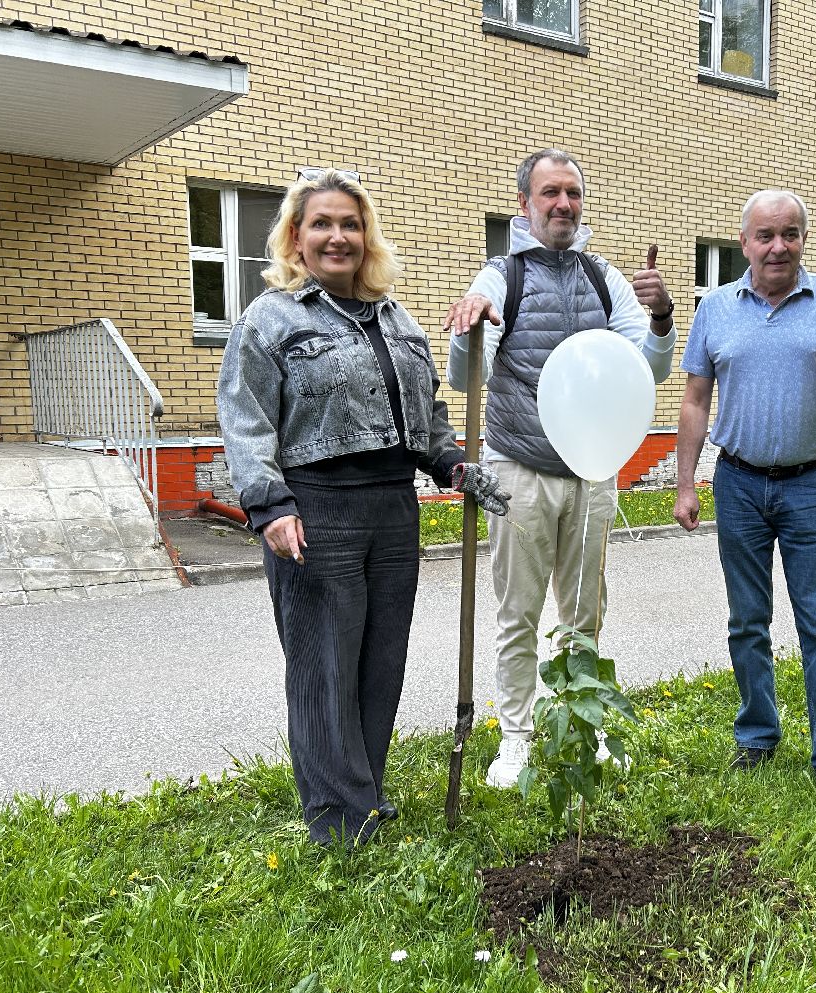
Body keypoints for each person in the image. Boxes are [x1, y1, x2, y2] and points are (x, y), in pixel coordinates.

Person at [217, 169, 510, 847]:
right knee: (324, 666)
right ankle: (336, 821)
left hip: (391, 509)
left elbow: (427, 421)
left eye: (350, 223)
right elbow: (246, 417)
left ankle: (365, 793)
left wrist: (457, 467)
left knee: (381, 661)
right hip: (315, 510)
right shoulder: (272, 318)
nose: (337, 236)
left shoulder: (396, 318)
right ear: (296, 236)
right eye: (321, 223)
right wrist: (269, 504)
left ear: (366, 235)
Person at [443, 148, 677, 789]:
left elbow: (649, 370)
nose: (563, 204)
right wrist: (468, 326)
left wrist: (660, 319)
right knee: (518, 612)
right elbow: (470, 370)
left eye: (572, 193)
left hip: (592, 473)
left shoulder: (606, 279)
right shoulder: (502, 276)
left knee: (584, 611)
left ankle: (582, 723)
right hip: (519, 468)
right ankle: (515, 739)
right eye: (550, 193)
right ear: (525, 205)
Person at [671, 189, 816, 812]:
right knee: (747, 621)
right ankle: (758, 736)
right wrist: (686, 484)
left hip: (811, 484)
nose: (778, 246)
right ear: (745, 244)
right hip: (737, 483)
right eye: (765, 236)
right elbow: (693, 400)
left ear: (802, 240)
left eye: (789, 234)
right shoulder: (715, 307)